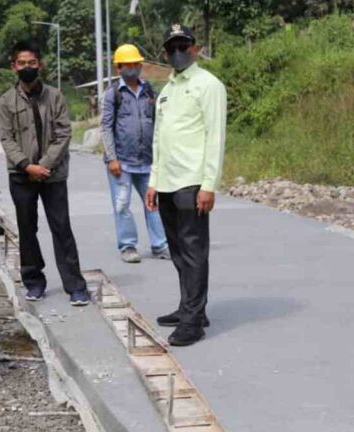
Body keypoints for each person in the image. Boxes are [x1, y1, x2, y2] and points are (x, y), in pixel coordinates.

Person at [145, 25, 227, 347]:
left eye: (184, 45)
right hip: (166, 182)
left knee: (194, 252)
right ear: (165, 52)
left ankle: (194, 321)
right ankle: (189, 307)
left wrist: (209, 185)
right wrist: (153, 181)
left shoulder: (208, 85)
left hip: (192, 183)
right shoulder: (167, 90)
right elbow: (158, 140)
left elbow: (215, 137)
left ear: (195, 48)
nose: (178, 51)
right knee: (178, 251)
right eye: (172, 47)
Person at [0, 41, 90, 306]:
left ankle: (75, 286)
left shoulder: (55, 96)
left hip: (53, 175)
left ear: (40, 64)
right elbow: (7, 139)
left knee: (62, 228)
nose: (27, 67)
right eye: (22, 63)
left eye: (32, 63)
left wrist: (44, 165)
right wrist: (27, 166)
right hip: (21, 175)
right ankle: (33, 281)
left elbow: (63, 133)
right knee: (27, 229)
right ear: (14, 66)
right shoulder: (6, 101)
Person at [101, 44, 169, 263]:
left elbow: (159, 122)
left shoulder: (149, 91)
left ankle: (160, 245)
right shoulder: (113, 94)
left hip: (147, 161)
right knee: (122, 205)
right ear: (119, 68)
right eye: (128, 64)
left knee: (154, 203)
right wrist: (112, 158)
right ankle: (128, 246)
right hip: (122, 162)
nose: (132, 68)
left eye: (135, 64)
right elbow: (106, 128)